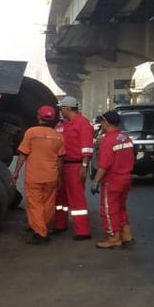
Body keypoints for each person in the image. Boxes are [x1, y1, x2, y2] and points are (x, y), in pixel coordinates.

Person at [13, 104, 65, 243]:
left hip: (34, 176)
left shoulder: (31, 133)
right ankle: (41, 226)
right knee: (48, 203)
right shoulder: (59, 136)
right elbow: (60, 160)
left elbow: (23, 154)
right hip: (51, 176)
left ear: (39, 117)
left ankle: (41, 233)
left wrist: (16, 172)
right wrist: (59, 177)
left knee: (34, 204)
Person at [91, 109, 135, 249]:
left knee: (109, 209)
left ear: (106, 122)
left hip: (112, 180)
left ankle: (113, 237)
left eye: (102, 121)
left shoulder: (107, 140)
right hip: (126, 178)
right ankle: (127, 235)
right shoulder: (125, 137)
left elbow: (104, 165)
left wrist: (95, 181)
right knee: (121, 207)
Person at [53, 95, 95, 240]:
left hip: (75, 165)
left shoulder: (82, 123)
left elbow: (87, 147)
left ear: (67, 108)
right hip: (63, 165)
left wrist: (84, 165)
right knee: (60, 197)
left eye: (61, 108)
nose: (60, 111)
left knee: (77, 199)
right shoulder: (64, 124)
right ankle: (60, 224)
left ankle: (83, 231)